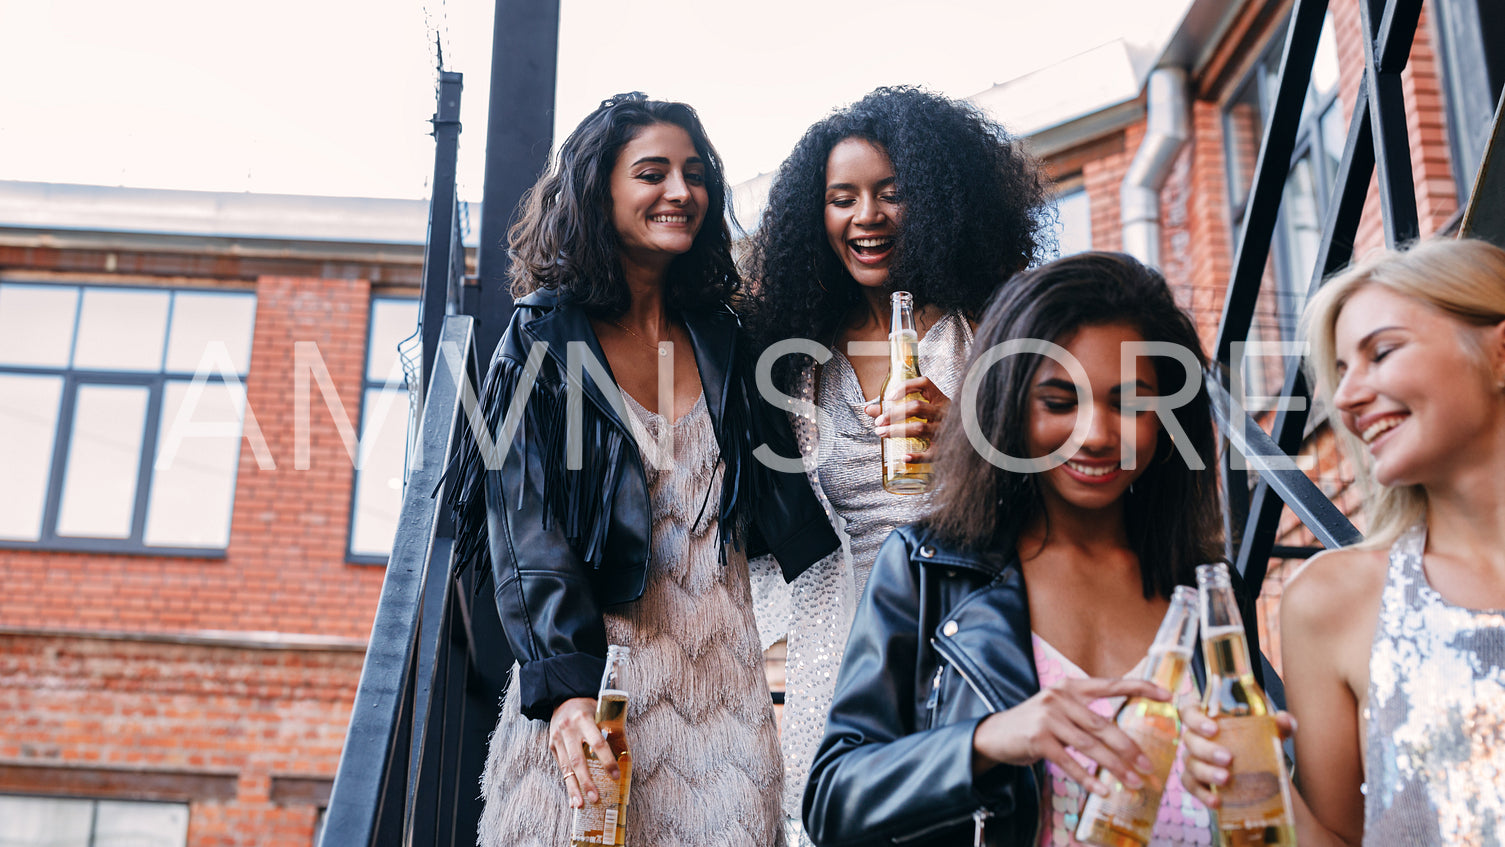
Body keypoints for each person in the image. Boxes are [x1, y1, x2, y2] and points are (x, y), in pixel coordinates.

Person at [443, 92, 839, 847]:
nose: (680, 192)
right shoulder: (542, 341)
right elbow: (524, 526)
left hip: (726, 700)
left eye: (694, 175)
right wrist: (562, 689)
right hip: (598, 691)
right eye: (652, 173)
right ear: (601, 190)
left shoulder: (729, 339)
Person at [804, 252, 1249, 846]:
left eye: (1131, 403)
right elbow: (834, 799)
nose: (1096, 435)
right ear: (1007, 408)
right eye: (1060, 402)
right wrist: (988, 740)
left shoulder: (1207, 589)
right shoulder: (929, 568)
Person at [740, 85, 1052, 841]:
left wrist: (972, 436)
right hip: (841, 645)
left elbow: (1070, 480)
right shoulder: (793, 356)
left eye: (890, 193)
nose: (865, 216)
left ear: (942, 201)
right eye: (841, 198)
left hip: (971, 621)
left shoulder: (994, 326)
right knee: (846, 819)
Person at [1180, 237, 1505, 845]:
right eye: (1341, 372)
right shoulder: (1334, 599)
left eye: (1381, 353)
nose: (1349, 398)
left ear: (1500, 352)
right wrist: (1260, 785)